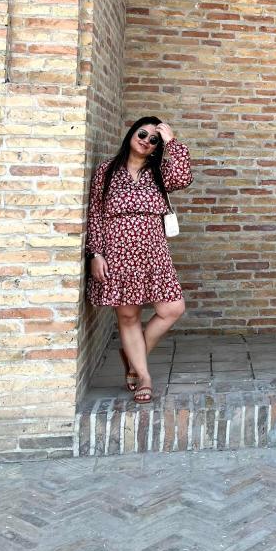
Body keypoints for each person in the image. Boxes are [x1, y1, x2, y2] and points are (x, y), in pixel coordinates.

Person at [86, 117, 193, 403]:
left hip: (154, 253)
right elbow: (95, 214)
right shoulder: (106, 171)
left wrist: (172, 142)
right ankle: (143, 375)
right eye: (142, 134)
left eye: (153, 139)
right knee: (128, 316)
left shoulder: (160, 172)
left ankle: (133, 356)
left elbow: (184, 177)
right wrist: (95, 253)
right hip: (118, 253)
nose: (146, 140)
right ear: (131, 134)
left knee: (172, 308)